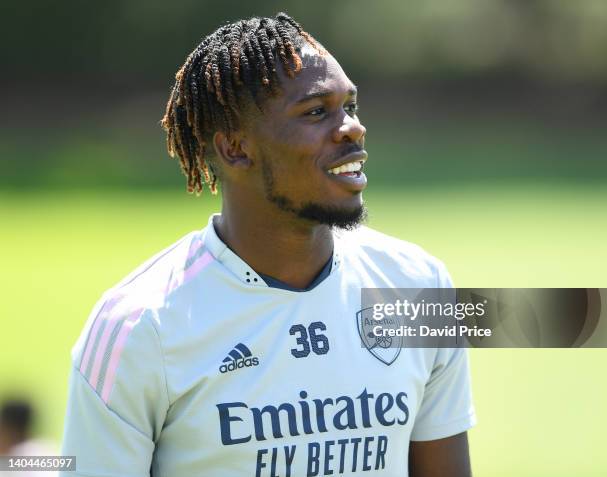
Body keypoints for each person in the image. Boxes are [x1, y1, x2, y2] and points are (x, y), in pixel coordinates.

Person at [60, 13, 476, 477]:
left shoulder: (421, 285)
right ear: (236, 149)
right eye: (317, 112)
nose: (352, 128)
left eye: (350, 107)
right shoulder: (139, 325)